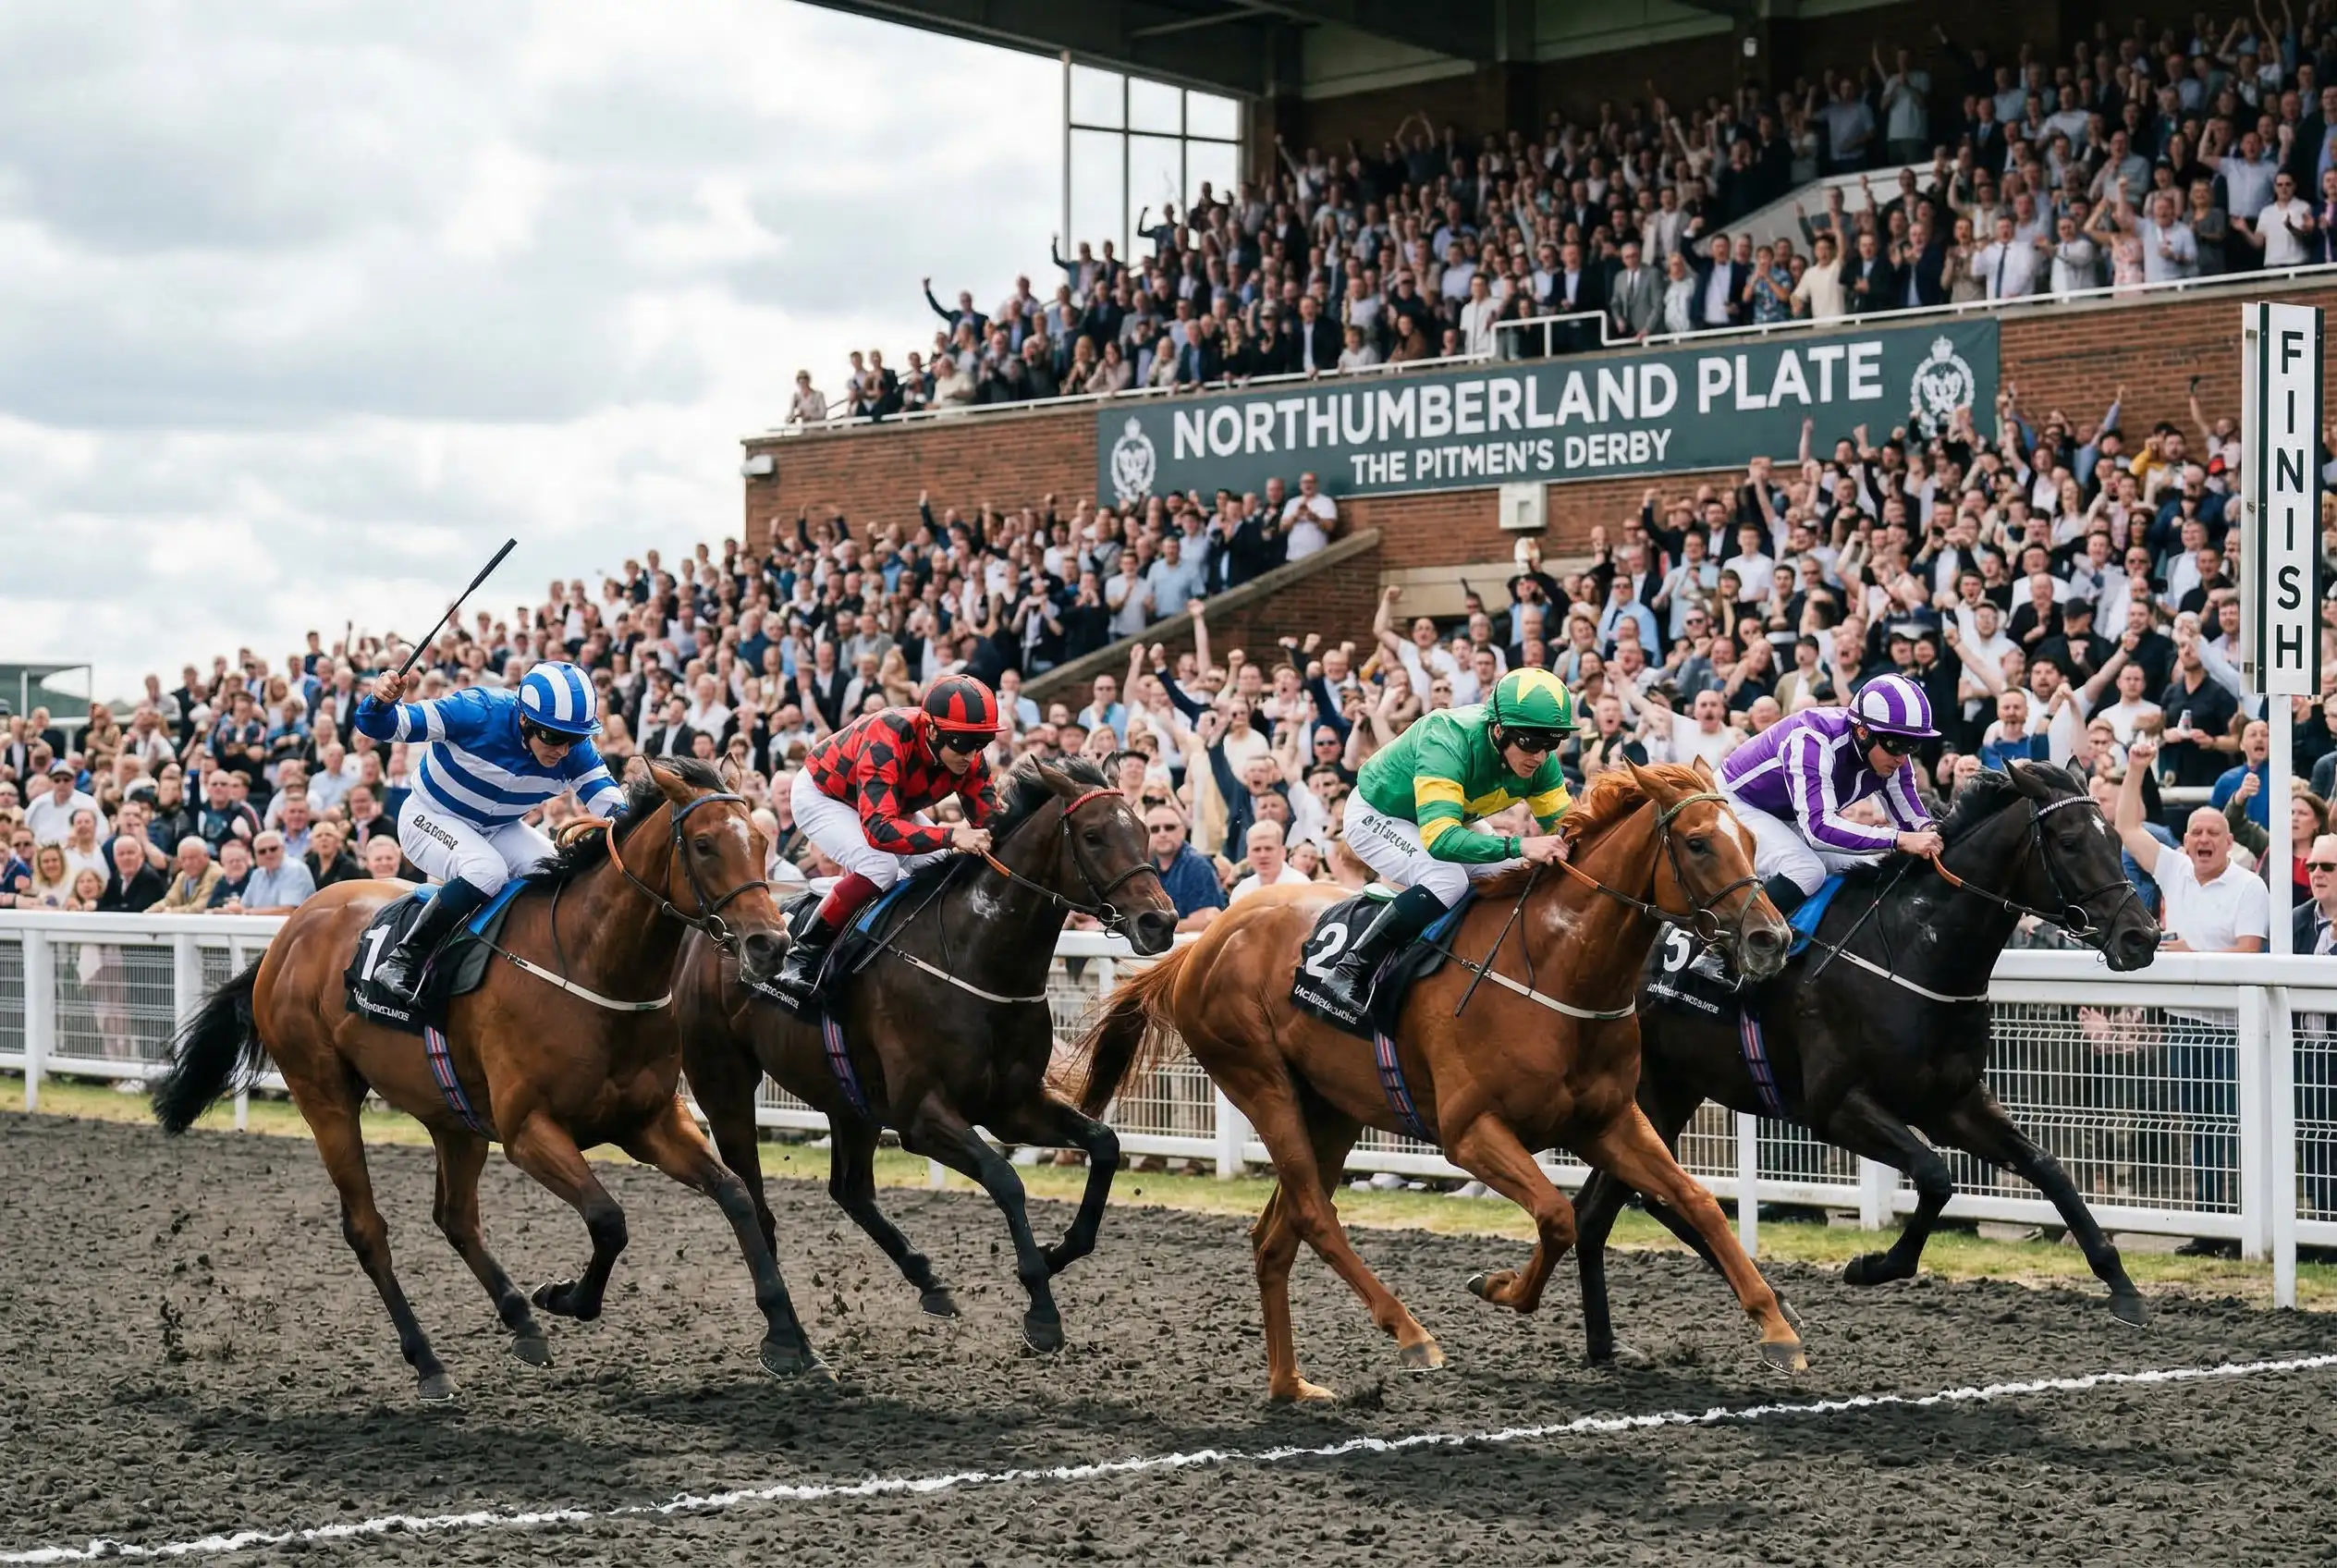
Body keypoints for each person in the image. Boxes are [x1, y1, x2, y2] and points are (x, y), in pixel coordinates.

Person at [352, 660, 626, 1004]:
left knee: (559, 875)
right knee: (487, 870)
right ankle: (403, 960)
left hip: (497, 827)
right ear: (524, 719)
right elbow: (379, 725)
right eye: (554, 737)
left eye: (575, 739)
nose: (563, 750)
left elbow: (616, 809)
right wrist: (381, 700)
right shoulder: (475, 711)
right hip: (429, 815)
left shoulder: (574, 751)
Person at [1326, 668, 1578, 1013]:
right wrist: (1520, 845)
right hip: (1380, 814)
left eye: (1551, 743)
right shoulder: (1447, 737)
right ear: (1499, 730)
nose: (1539, 756)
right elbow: (1440, 838)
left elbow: (1570, 828)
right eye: (1530, 742)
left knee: (1517, 873)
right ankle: (1351, 968)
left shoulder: (1541, 762)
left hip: (1454, 817)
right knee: (1447, 880)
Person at [2113, 733, 2267, 1243]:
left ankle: (2253, 1226)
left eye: (2213, 833)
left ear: (2229, 843)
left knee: (2237, 1125)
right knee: (2200, 1126)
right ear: (2187, 842)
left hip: (2235, 1027)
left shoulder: (2250, 885)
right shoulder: (2175, 868)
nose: (2203, 840)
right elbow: (2127, 825)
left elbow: (2250, 954)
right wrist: (2137, 767)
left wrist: (2189, 956)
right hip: (2185, 1025)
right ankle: (2210, 1227)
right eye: (2196, 832)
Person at [771, 674, 1003, 1002]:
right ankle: (802, 956)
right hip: (825, 795)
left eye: (981, 742)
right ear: (933, 730)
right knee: (879, 866)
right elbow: (879, 830)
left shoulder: (969, 757)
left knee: (943, 866)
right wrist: (952, 834)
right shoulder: (888, 733)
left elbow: (993, 825)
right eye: (962, 742)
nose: (971, 754)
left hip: (888, 804)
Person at [1714, 672, 1943, 918]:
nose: (1902, 757)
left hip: (1791, 816)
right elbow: (1818, 830)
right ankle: (1722, 945)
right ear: (1863, 733)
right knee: (1805, 870)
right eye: (1897, 743)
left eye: (1912, 745)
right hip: (1737, 802)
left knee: (1872, 867)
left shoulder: (1892, 756)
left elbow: (1915, 825)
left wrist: (1932, 833)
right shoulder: (1812, 739)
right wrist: (1898, 839)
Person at [1144, 802, 1226, 932]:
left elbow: (1204, 921)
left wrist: (1153, 928)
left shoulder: (1198, 865)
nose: (1162, 834)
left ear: (1182, 831)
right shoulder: (1145, 868)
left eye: (1169, 827)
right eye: (1154, 829)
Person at [1230, 819, 1311, 900]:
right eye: (1256, 849)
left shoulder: (1301, 885)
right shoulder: (1242, 891)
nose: (1263, 855)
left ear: (1282, 852)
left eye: (1269, 849)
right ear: (1248, 855)